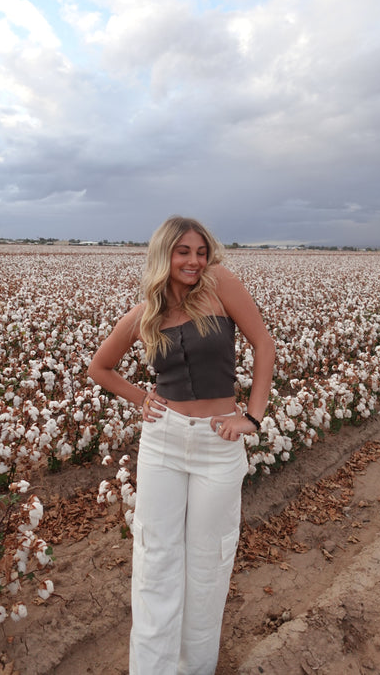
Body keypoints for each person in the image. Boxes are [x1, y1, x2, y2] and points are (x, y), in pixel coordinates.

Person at [88, 216, 275, 675]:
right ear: (164, 255)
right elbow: (101, 367)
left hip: (218, 442)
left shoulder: (222, 285)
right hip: (163, 442)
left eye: (200, 251)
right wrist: (142, 398)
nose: (194, 260)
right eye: (183, 251)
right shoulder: (146, 312)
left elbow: (264, 344)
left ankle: (195, 668)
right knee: (156, 558)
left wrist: (251, 417)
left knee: (208, 561)